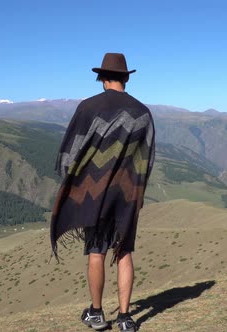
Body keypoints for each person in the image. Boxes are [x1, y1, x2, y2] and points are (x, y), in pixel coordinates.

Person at [50, 53, 155, 332]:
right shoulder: (143, 113)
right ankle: (125, 318)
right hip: (127, 194)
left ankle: (96, 314)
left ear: (102, 78)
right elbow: (147, 159)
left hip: (93, 194)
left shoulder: (88, 108)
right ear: (127, 77)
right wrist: (139, 192)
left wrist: (72, 179)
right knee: (124, 253)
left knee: (96, 251)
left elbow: (69, 154)